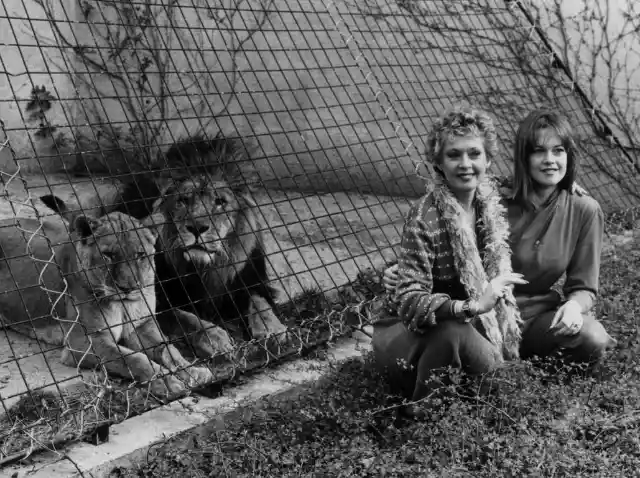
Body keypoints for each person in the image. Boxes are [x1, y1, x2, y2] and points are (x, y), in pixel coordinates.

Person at [383, 109, 616, 369]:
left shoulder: (585, 209)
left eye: (558, 150)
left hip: (535, 315)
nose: (549, 160)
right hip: (479, 314)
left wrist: (574, 306)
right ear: (523, 157)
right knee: (478, 360)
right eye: (538, 151)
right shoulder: (492, 196)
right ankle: (488, 370)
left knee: (592, 338)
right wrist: (402, 271)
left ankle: (538, 374)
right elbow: (442, 233)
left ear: (569, 155)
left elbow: (585, 285)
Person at [371, 106, 528, 409]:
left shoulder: (489, 204)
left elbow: (540, 180)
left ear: (488, 159)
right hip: (414, 335)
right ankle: (426, 418)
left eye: (474, 154)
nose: (465, 164)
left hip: (470, 329)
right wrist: (472, 305)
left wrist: (568, 185)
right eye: (454, 155)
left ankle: (466, 390)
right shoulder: (424, 215)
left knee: (499, 383)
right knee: (451, 331)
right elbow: (408, 300)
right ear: (439, 163)